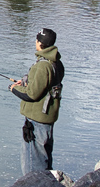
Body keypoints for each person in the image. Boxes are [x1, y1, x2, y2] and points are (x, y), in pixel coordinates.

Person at [10, 28, 63, 175]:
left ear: (40, 43)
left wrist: (13, 89)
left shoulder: (42, 65)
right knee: (44, 157)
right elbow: (46, 84)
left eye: (37, 39)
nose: (35, 42)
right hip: (47, 119)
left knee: (33, 164)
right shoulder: (56, 62)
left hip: (37, 120)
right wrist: (27, 81)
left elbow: (32, 95)